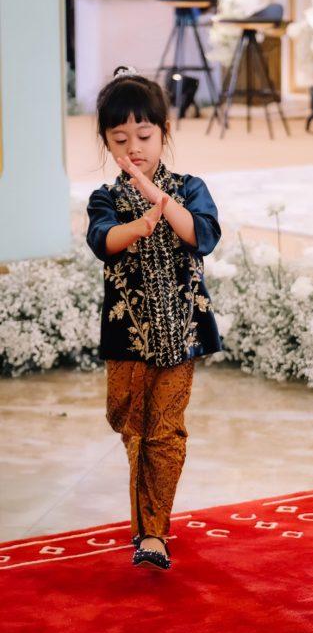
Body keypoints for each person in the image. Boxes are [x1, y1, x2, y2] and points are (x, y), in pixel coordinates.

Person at [86, 66, 221, 570]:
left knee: (164, 431)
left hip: (181, 336)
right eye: (120, 139)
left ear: (165, 133)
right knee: (129, 424)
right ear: (106, 141)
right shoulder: (106, 198)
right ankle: (148, 522)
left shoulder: (190, 189)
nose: (134, 148)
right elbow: (104, 241)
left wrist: (161, 203)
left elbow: (201, 235)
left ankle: (153, 534)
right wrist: (137, 223)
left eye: (144, 135)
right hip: (127, 339)